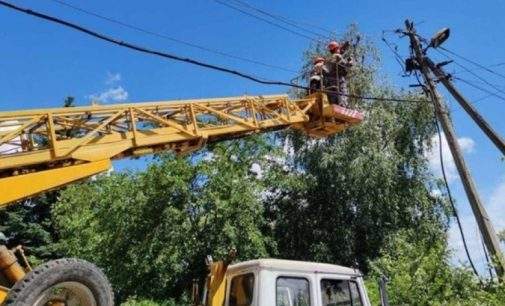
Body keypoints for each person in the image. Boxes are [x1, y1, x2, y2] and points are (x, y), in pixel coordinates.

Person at [325, 40, 353, 107]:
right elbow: (345, 65)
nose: (339, 50)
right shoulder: (337, 56)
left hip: (330, 80)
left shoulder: (329, 58)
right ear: (336, 49)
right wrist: (350, 62)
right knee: (343, 92)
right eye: (338, 48)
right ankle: (343, 105)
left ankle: (334, 104)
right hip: (339, 79)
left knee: (333, 92)